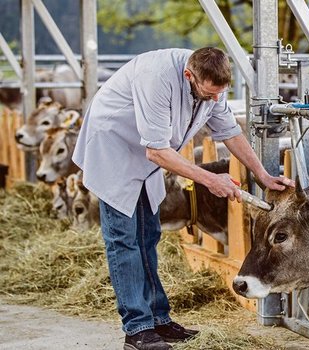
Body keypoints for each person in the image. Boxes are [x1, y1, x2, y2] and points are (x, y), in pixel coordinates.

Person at [72, 47, 293, 350]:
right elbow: (156, 150)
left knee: (148, 235)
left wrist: (262, 175)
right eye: (208, 95)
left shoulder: (211, 82)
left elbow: (229, 131)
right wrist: (209, 180)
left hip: (146, 156)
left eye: (219, 94)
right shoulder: (156, 78)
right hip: (113, 148)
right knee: (124, 241)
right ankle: (137, 330)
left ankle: (159, 321)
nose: (214, 100)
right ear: (189, 76)